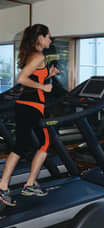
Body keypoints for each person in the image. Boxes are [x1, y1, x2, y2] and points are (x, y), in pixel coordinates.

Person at [0, 24, 59, 206]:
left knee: (22, 145)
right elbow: (22, 79)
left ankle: (15, 186)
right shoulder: (39, 55)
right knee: (44, 143)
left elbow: (32, 78)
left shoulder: (32, 55)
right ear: (40, 38)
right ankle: (21, 185)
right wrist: (44, 86)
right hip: (32, 106)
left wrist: (47, 76)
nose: (50, 40)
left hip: (25, 105)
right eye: (48, 37)